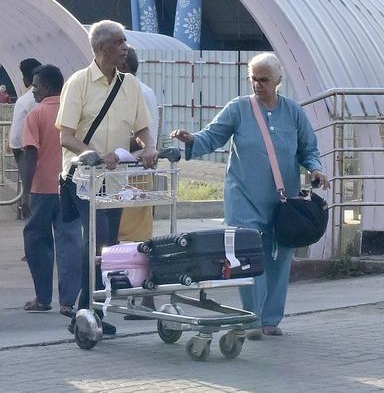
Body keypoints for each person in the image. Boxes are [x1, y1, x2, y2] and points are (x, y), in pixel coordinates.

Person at [171, 53, 326, 339]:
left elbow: (309, 149)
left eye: (264, 79)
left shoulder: (293, 112)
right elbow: (212, 136)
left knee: (279, 257)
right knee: (248, 255)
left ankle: (270, 319)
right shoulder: (238, 109)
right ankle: (252, 318)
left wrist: (316, 169)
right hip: (243, 196)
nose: (257, 84)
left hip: (284, 202)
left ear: (278, 80)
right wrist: (191, 140)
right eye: (253, 78)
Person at [57, 20, 157, 336]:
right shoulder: (79, 83)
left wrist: (149, 147)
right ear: (101, 47)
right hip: (83, 177)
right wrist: (95, 154)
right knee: (96, 241)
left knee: (109, 246)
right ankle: (83, 310)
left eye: (125, 41)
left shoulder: (130, 85)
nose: (124, 46)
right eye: (118, 42)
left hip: (115, 181)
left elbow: (142, 129)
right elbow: (67, 137)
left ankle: (95, 310)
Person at [19, 65, 81, 317]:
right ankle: (68, 301)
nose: (33, 91)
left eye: (36, 87)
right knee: (70, 243)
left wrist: (25, 193)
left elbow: (29, 154)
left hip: (43, 189)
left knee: (36, 240)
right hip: (72, 187)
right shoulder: (74, 113)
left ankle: (43, 298)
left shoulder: (35, 115)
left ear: (46, 87)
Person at [116, 47, 161, 245]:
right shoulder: (143, 90)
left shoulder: (136, 92)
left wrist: (110, 145)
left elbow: (142, 135)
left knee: (130, 235)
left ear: (123, 64)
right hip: (136, 169)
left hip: (134, 169)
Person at [9, 58, 42, 220]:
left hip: (34, 171)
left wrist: (23, 172)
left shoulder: (24, 102)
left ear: (28, 79)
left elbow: (16, 141)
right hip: (62, 173)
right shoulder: (64, 100)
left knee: (36, 224)